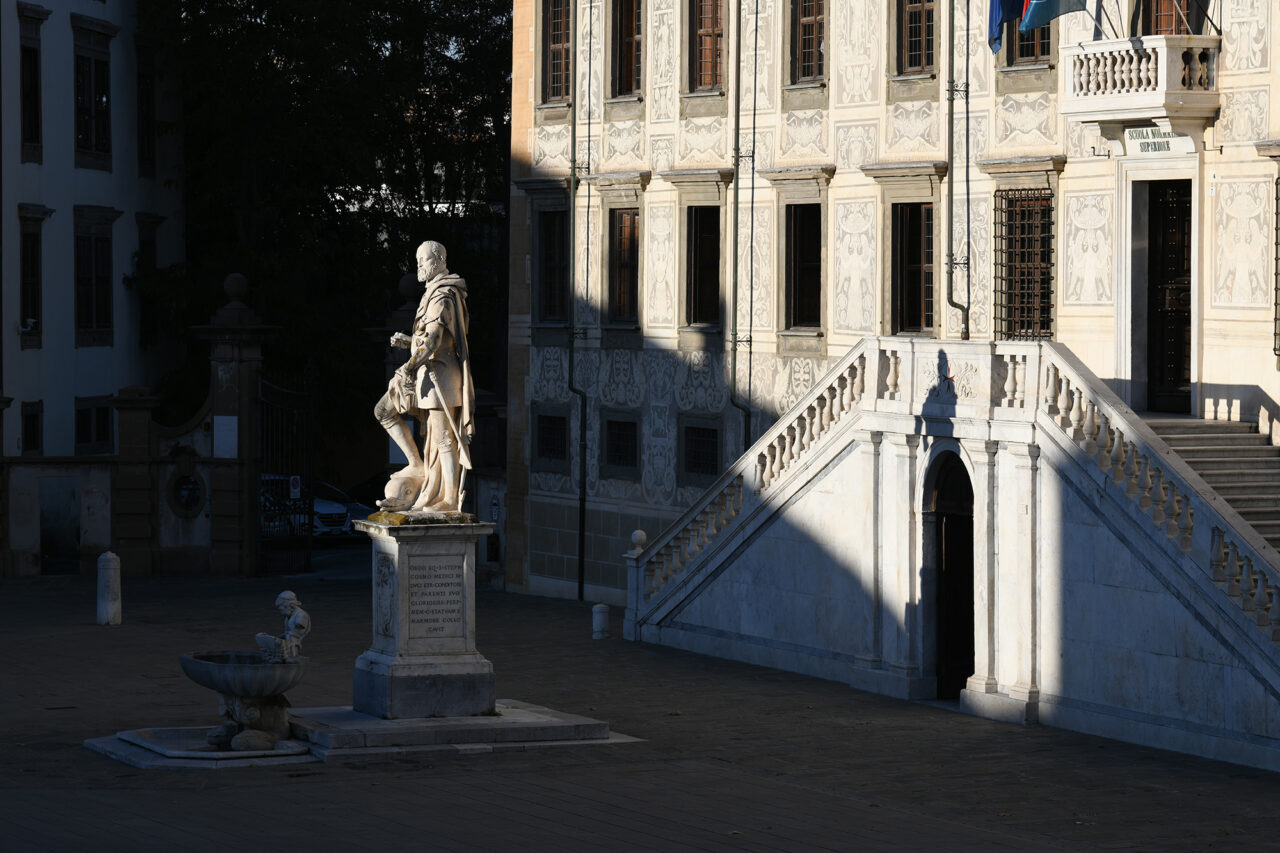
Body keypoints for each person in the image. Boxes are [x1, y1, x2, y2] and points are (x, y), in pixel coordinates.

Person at [374, 241, 475, 512]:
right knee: (384, 411)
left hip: (440, 377)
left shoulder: (443, 295)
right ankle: (418, 467)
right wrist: (409, 342)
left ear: (439, 260)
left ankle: (449, 499)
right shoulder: (433, 292)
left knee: (444, 439)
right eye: (418, 260)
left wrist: (407, 367)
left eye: (424, 260)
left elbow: (432, 342)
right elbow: (431, 341)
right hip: (430, 374)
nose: (419, 265)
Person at [255, 591, 311, 662]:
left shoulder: (301, 615)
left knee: (282, 646)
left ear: (290, 605)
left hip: (293, 641)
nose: (281, 612)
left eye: (281, 609)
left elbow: (297, 630)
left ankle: (290, 656)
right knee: (263, 638)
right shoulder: (289, 616)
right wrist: (281, 636)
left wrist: (285, 636)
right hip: (289, 639)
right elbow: (289, 631)